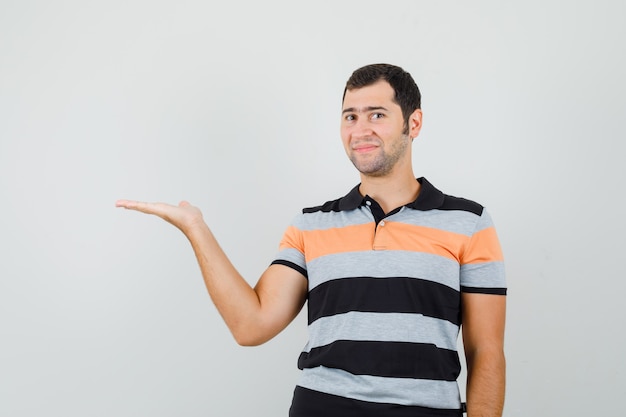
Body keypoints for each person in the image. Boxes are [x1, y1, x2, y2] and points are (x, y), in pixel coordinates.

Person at [116, 63, 507, 417]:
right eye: (350, 116)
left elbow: (485, 351)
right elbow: (250, 325)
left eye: (377, 115)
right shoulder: (312, 225)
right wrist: (196, 229)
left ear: (414, 123)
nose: (360, 129)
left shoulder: (468, 222)